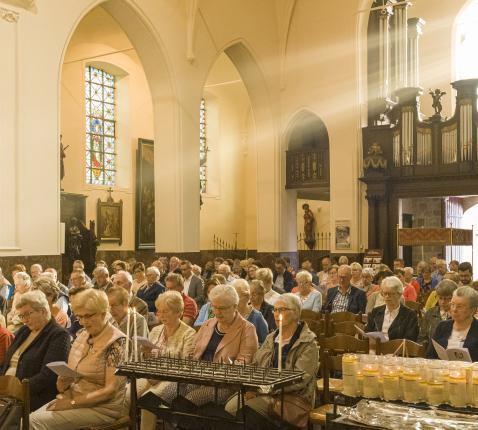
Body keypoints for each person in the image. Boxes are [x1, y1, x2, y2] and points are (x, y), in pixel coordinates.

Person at [157, 284, 258, 423]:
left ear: (235, 306)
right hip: (197, 377)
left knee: (189, 401)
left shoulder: (247, 329)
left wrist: (224, 369)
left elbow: (245, 362)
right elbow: (193, 353)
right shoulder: (208, 324)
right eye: (214, 307)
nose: (217, 312)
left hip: (224, 384)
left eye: (222, 308)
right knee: (164, 396)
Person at [30, 289, 127, 429]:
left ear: (103, 313)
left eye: (87, 316)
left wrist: (72, 403)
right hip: (75, 399)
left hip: (101, 409)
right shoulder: (82, 335)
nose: (83, 322)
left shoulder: (116, 341)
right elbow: (67, 381)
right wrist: (63, 382)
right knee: (27, 420)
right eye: (79, 317)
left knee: (34, 422)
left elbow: (110, 390)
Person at [225, 294, 318, 429]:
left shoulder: (308, 343)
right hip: (264, 391)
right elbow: (257, 365)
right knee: (230, 407)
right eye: (274, 310)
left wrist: (265, 389)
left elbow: (301, 379)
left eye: (282, 310)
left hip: (291, 398)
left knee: (243, 412)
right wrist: (248, 380)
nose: (276, 314)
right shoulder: (271, 338)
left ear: (296, 313)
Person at [1, 290, 70, 411]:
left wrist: (18, 389)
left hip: (30, 397)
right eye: (22, 316)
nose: (24, 320)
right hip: (6, 392)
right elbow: (6, 363)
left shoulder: (58, 335)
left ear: (43, 311)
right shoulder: (24, 331)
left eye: (27, 314)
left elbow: (48, 376)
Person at [137, 291, 196, 430]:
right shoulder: (156, 330)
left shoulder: (189, 334)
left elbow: (187, 364)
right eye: (159, 311)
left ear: (179, 312)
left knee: (148, 400)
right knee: (126, 395)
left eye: (166, 312)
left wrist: (160, 355)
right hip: (151, 375)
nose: (161, 315)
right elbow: (146, 360)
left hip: (174, 379)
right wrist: (145, 354)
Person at [427, 286, 478, 362]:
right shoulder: (442, 326)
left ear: (473, 310)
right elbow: (430, 356)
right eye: (452, 304)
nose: (454, 309)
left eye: (459, 307)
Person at [366, 276, 419, 341]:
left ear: (399, 294)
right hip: (375, 348)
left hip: (397, 349)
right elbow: (368, 332)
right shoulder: (376, 311)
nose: (387, 297)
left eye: (391, 294)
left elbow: (410, 339)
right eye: (385, 293)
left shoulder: (410, 315)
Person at [418, 280, 457, 349]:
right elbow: (422, 337)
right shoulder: (430, 313)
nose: (442, 302)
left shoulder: (458, 314)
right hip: (432, 353)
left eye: (447, 299)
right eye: (440, 298)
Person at [232, 279, 268, 344]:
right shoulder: (230, 313)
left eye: (236, 296)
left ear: (246, 296)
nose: (233, 300)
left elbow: (265, 343)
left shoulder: (257, 317)